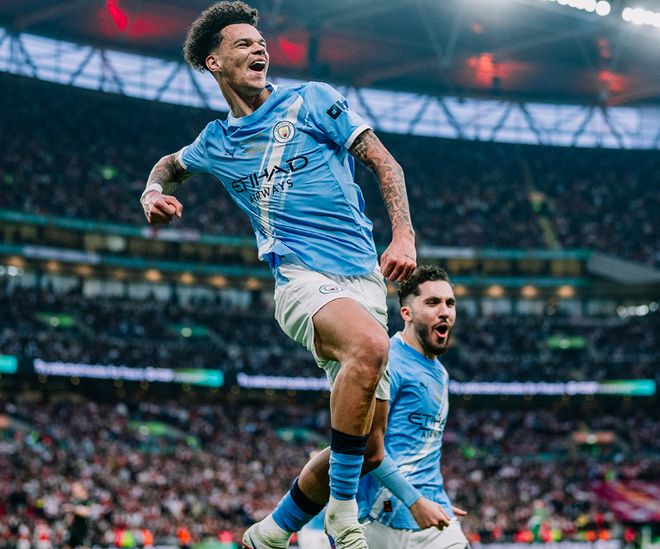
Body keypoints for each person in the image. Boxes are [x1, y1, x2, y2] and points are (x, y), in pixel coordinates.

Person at [138, 2, 417, 548]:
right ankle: (341, 513)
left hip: (363, 279)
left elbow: (385, 162)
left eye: (261, 42)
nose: (259, 48)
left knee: (369, 450)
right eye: (243, 43)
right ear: (214, 62)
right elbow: (170, 165)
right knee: (370, 348)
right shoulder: (216, 141)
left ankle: (267, 534)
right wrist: (152, 192)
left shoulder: (312, 100)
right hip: (299, 279)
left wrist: (403, 235)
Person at [358, 265, 470, 549]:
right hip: (379, 520)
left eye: (450, 303)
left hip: (430, 519)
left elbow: (424, 450)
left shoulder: (441, 373)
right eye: (432, 303)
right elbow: (369, 450)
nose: (444, 311)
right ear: (406, 313)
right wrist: (416, 501)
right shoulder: (388, 362)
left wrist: (435, 498)